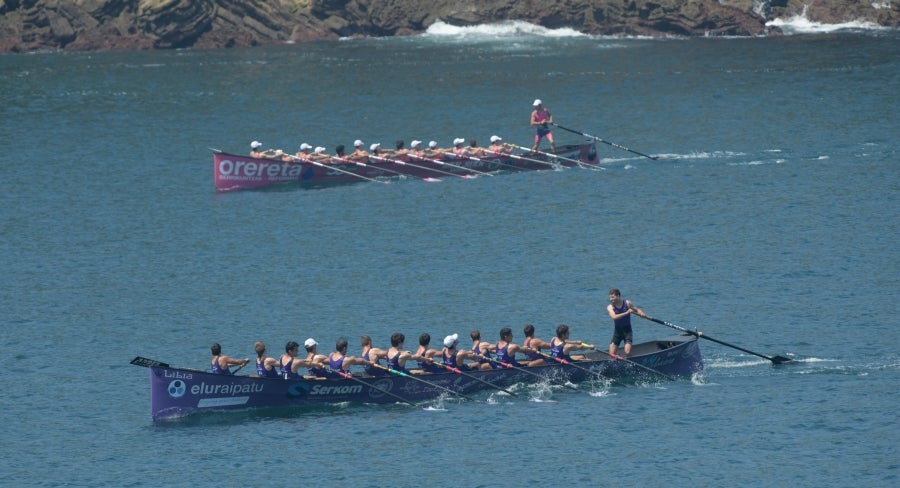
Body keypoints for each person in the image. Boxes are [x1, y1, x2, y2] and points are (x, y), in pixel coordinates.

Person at [607, 288, 646, 358]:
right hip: (617, 332)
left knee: (627, 352)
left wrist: (641, 313)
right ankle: (617, 361)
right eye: (610, 297)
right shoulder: (610, 307)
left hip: (627, 331)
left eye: (612, 297)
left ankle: (631, 363)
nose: (611, 299)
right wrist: (627, 312)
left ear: (618, 296)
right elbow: (614, 317)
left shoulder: (627, 303)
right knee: (611, 354)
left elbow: (636, 309)